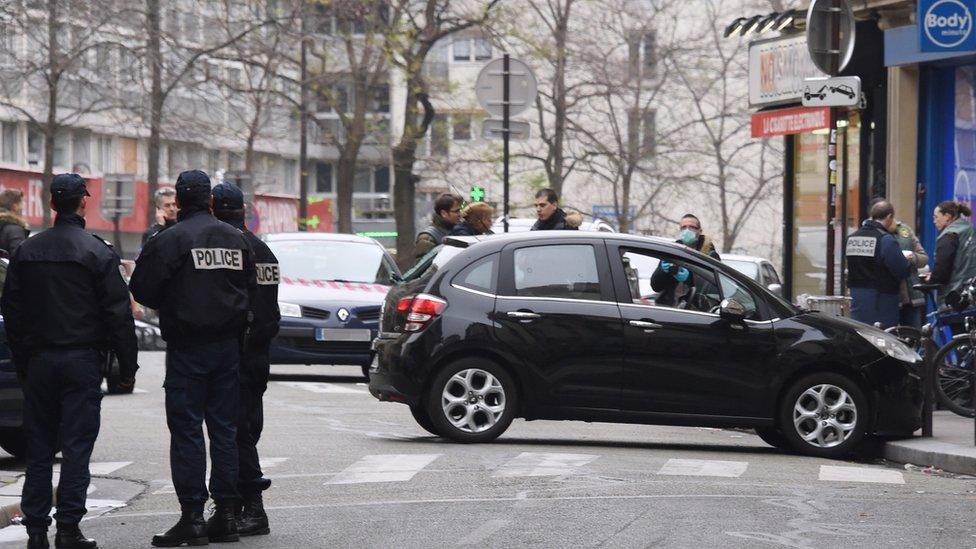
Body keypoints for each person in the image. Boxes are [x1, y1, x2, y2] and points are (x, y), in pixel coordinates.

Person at [1, 174, 138, 549]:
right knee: (76, 448)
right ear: (83, 203)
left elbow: (12, 311)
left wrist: (23, 359)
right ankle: (69, 529)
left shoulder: (27, 252)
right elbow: (118, 314)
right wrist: (127, 366)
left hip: (40, 360)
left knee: (39, 449)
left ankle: (35, 531)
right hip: (81, 360)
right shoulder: (96, 251)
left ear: (51, 205)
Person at [130, 170, 256, 547]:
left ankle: (192, 517)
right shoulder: (236, 239)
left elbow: (143, 288)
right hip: (227, 348)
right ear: (211, 201)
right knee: (224, 431)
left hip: (187, 348)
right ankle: (228, 516)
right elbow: (249, 288)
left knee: (186, 431)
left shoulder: (171, 240)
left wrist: (177, 300)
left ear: (180, 202)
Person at [211, 183, 279, 537]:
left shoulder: (228, 250)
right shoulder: (263, 250)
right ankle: (238, 504)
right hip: (258, 356)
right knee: (246, 429)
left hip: (234, 354)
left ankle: (251, 507)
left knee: (236, 433)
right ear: (243, 209)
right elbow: (271, 312)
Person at [845, 200, 912, 328]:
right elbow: (902, 270)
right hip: (882, 301)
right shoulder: (886, 240)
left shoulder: (852, 238)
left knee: (861, 336)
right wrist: (908, 260)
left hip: (857, 299)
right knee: (883, 340)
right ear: (889, 217)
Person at [650, 214, 720, 308]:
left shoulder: (709, 255)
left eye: (692, 227)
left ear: (700, 231)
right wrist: (663, 270)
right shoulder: (672, 251)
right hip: (670, 307)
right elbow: (655, 286)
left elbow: (714, 286)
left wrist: (689, 278)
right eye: (684, 227)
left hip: (696, 308)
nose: (687, 230)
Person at [929, 200, 976, 301]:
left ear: (947, 216)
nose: (934, 221)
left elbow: (942, 269)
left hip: (955, 295)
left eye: (936, 217)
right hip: (972, 292)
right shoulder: (970, 229)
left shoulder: (949, 236)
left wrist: (931, 279)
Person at [890, 216, 928, 328]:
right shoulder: (877, 233)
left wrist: (913, 257)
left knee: (914, 335)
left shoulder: (904, 230)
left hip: (911, 296)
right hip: (890, 297)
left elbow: (924, 258)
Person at [415, 193, 461, 260]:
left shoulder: (458, 231)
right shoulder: (428, 238)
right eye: (456, 211)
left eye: (459, 210)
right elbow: (425, 268)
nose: (459, 214)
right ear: (444, 213)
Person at [0, 188, 28, 256]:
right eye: (21, 203)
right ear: (15, 207)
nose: (23, 207)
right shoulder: (15, 230)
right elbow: (18, 258)